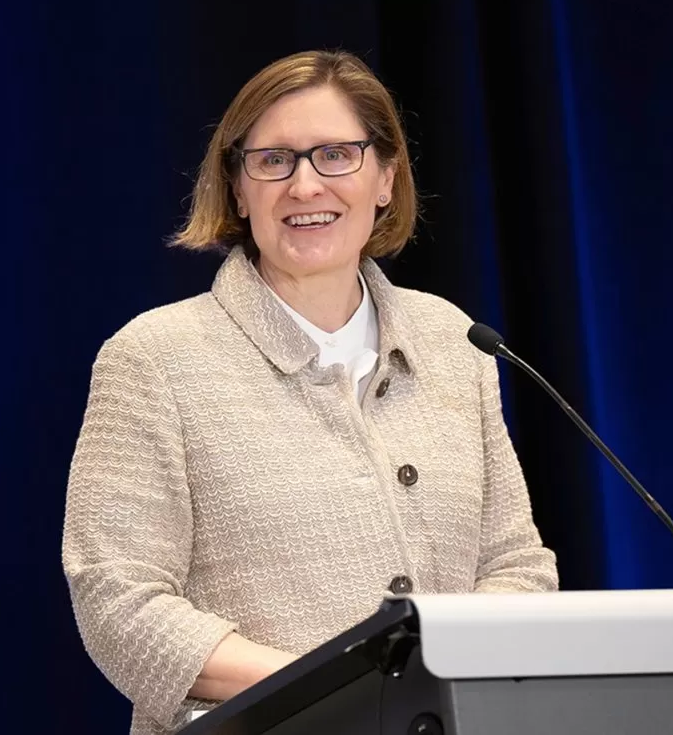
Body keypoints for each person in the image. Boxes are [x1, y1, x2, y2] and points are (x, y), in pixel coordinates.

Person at [61, 49, 558, 735]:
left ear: (385, 178)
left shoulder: (453, 341)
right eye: (273, 160)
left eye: (336, 155)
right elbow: (119, 601)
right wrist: (342, 688)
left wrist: (444, 678)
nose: (304, 186)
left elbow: (516, 563)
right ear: (238, 190)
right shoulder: (155, 358)